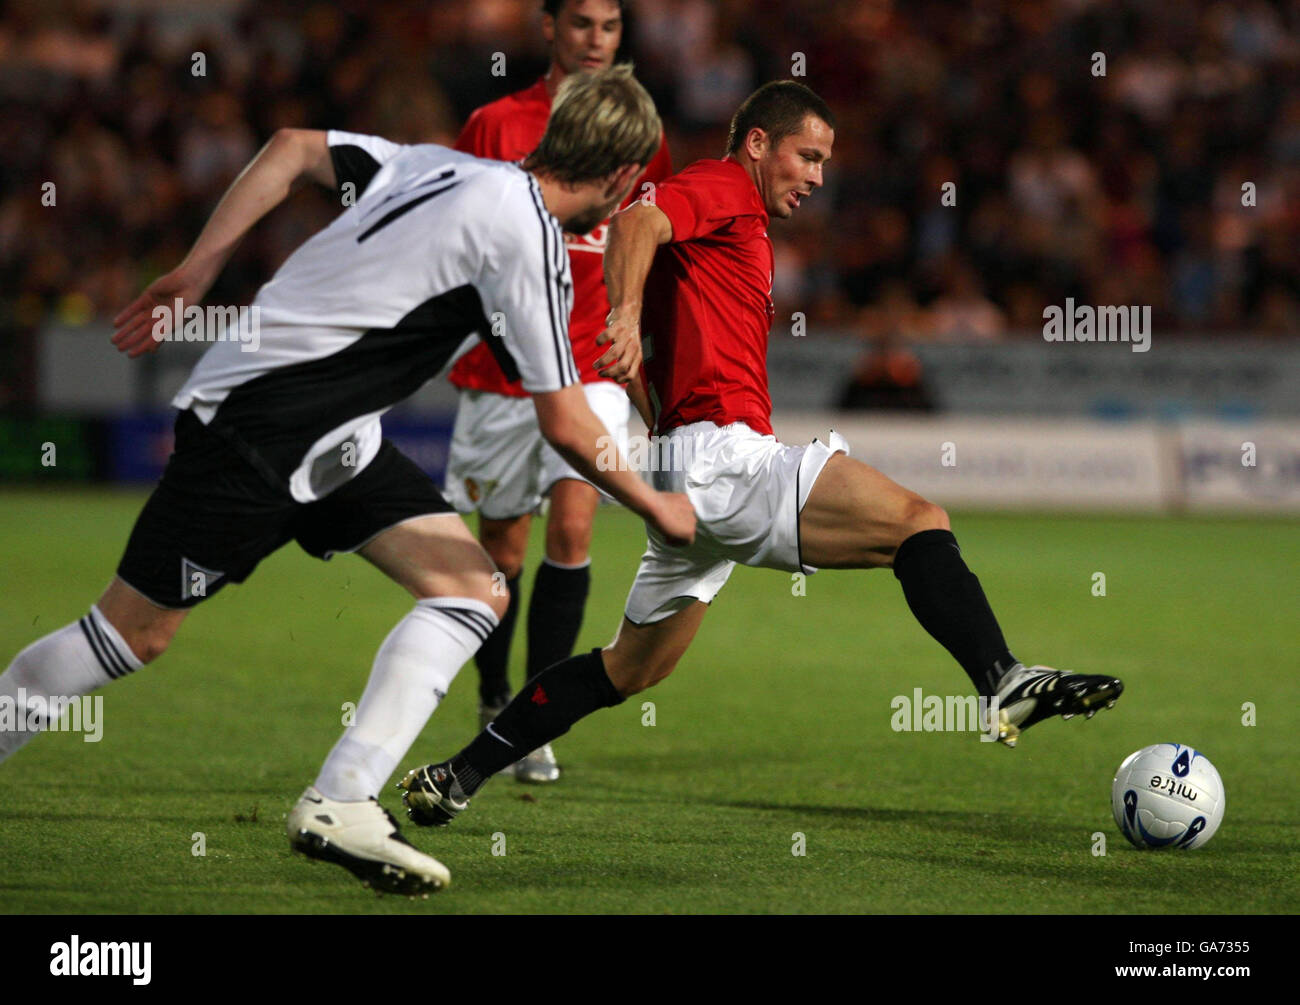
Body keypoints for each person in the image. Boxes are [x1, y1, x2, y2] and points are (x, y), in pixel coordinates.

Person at [0, 67, 694, 896]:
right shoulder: (530, 236)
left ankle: (342, 798)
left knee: (472, 587)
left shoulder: (443, 166)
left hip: (331, 437)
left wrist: (196, 271)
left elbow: (292, 149)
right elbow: (568, 422)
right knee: (132, 634)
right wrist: (657, 503)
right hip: (262, 429)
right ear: (623, 178)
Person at [398, 81, 1124, 831]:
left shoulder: (738, 227)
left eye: (823, 162)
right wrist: (621, 315)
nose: (815, 176)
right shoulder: (723, 188)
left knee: (629, 666)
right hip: (724, 460)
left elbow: (654, 292)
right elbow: (636, 222)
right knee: (917, 519)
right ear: (757, 144)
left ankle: (459, 772)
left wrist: (656, 417)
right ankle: (1002, 681)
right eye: (806, 156)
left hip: (689, 466)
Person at [443, 0, 672, 784]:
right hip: (503, 373)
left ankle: (531, 722)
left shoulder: (645, 130)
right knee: (501, 549)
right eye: (580, 23)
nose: (595, 40)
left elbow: (652, 232)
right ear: (548, 28)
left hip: (595, 365)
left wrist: (637, 323)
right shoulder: (495, 124)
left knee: (572, 528)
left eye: (609, 27)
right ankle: (493, 693)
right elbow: (461, 231)